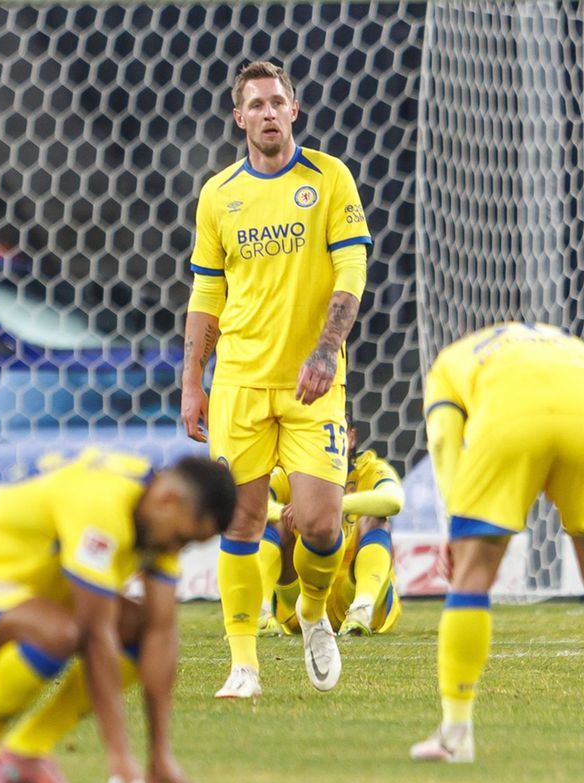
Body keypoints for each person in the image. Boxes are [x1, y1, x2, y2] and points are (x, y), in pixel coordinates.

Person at [0, 449, 234, 783]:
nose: (178, 549)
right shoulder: (102, 502)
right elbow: (95, 633)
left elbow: (161, 632)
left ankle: (26, 751)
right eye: (181, 539)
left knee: (137, 626)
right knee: (62, 632)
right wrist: (120, 758)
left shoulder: (153, 512)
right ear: (169, 499)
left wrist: (160, 755)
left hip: (6, 592)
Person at [180, 60, 371, 697]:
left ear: (294, 111)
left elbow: (352, 274)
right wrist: (192, 381)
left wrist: (326, 351)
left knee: (320, 524)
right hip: (237, 383)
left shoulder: (330, 179)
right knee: (241, 520)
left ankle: (313, 612)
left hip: (313, 383)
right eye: (255, 104)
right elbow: (206, 294)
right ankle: (243, 665)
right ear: (239, 118)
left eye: (277, 102)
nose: (267, 112)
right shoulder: (218, 194)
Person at [410, 322, 584, 763]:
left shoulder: (451, 362)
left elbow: (442, 439)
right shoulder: (570, 345)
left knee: (472, 579)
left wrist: (457, 525)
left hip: (509, 423)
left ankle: (456, 735)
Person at [258, 408, 405, 637]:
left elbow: (394, 501)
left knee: (375, 518)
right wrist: (291, 512)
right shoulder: (289, 474)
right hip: (299, 596)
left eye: (337, 433)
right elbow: (252, 504)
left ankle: (362, 608)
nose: (329, 444)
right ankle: (260, 610)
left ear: (352, 437)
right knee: (273, 522)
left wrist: (331, 506)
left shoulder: (370, 469)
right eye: (320, 435)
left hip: (351, 589)